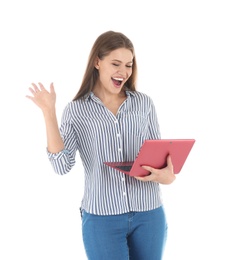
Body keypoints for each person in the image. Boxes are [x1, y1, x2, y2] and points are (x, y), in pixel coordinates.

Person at [26, 30, 176, 260]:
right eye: (116, 63)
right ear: (97, 61)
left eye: (129, 65)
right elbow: (62, 165)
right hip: (102, 218)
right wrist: (49, 112)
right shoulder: (77, 110)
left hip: (150, 213)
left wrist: (167, 176)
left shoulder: (144, 103)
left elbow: (159, 159)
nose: (124, 72)